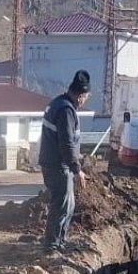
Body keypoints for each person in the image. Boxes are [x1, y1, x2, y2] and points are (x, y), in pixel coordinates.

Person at [38, 70, 91, 252]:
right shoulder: (66, 111)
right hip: (58, 166)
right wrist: (77, 169)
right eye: (85, 97)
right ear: (80, 95)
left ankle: (59, 241)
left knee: (67, 203)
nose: (84, 102)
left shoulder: (57, 103)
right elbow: (67, 144)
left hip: (55, 164)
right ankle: (52, 244)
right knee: (62, 204)